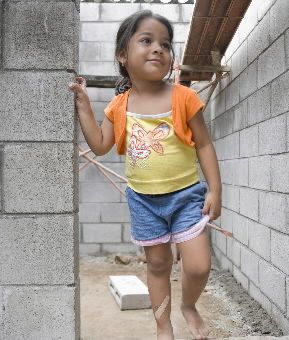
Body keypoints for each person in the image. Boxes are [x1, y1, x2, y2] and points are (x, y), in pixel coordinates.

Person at [69, 10, 222, 340]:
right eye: (146, 41)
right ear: (123, 55)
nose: (158, 49)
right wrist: (83, 104)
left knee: (198, 266)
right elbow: (99, 144)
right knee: (157, 266)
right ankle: (162, 326)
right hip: (144, 201)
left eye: (165, 44)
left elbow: (205, 146)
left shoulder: (184, 97)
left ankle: (189, 305)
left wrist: (215, 190)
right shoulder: (118, 106)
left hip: (186, 196)